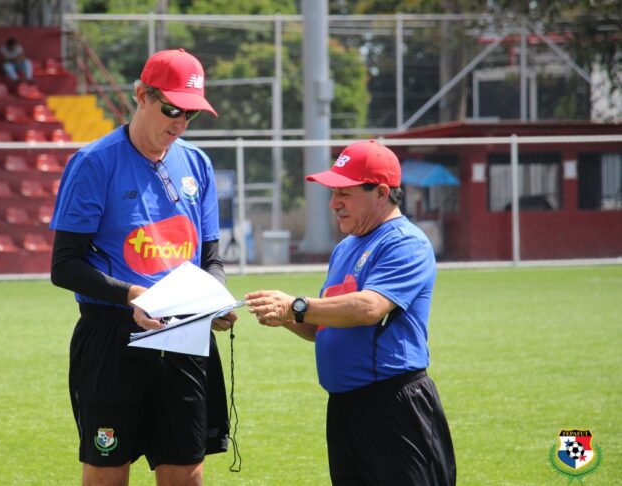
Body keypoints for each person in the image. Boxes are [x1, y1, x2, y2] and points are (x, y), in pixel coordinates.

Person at [50, 48, 236, 486]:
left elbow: (211, 259)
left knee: (186, 472)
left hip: (186, 334)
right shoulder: (94, 163)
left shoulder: (197, 164)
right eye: (171, 109)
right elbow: (65, 265)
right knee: (107, 472)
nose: (180, 122)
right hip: (113, 335)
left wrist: (215, 300)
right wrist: (133, 296)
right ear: (141, 95)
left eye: (191, 113)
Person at [246, 140, 456, 486]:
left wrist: (295, 306)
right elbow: (319, 325)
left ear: (382, 193)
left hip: (394, 407)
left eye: (344, 193)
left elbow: (370, 307)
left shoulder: (406, 242)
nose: (333, 204)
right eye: (333, 193)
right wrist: (284, 316)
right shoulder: (345, 248)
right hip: (344, 410)